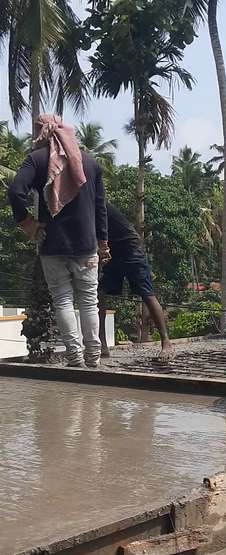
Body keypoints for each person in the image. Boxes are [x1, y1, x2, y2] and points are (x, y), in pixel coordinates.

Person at [8, 114, 109, 368]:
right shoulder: (90, 162)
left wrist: (27, 222)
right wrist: (103, 242)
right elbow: (100, 207)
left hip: (52, 245)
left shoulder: (37, 159)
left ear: (40, 132)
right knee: (88, 300)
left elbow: (15, 190)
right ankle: (93, 358)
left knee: (63, 299)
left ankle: (74, 358)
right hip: (86, 245)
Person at [99, 203, 173, 361]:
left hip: (129, 247)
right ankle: (102, 344)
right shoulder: (83, 208)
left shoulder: (95, 204)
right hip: (111, 250)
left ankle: (166, 342)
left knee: (147, 293)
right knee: (100, 294)